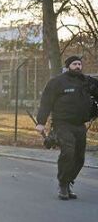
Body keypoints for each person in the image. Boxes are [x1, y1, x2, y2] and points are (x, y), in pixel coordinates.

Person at [36, 56, 98, 199]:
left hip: (80, 125)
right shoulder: (57, 82)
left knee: (79, 158)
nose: (78, 66)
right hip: (62, 124)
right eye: (75, 64)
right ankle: (63, 185)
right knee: (68, 152)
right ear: (68, 66)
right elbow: (46, 102)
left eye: (79, 64)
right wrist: (41, 122)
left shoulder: (87, 82)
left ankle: (68, 182)